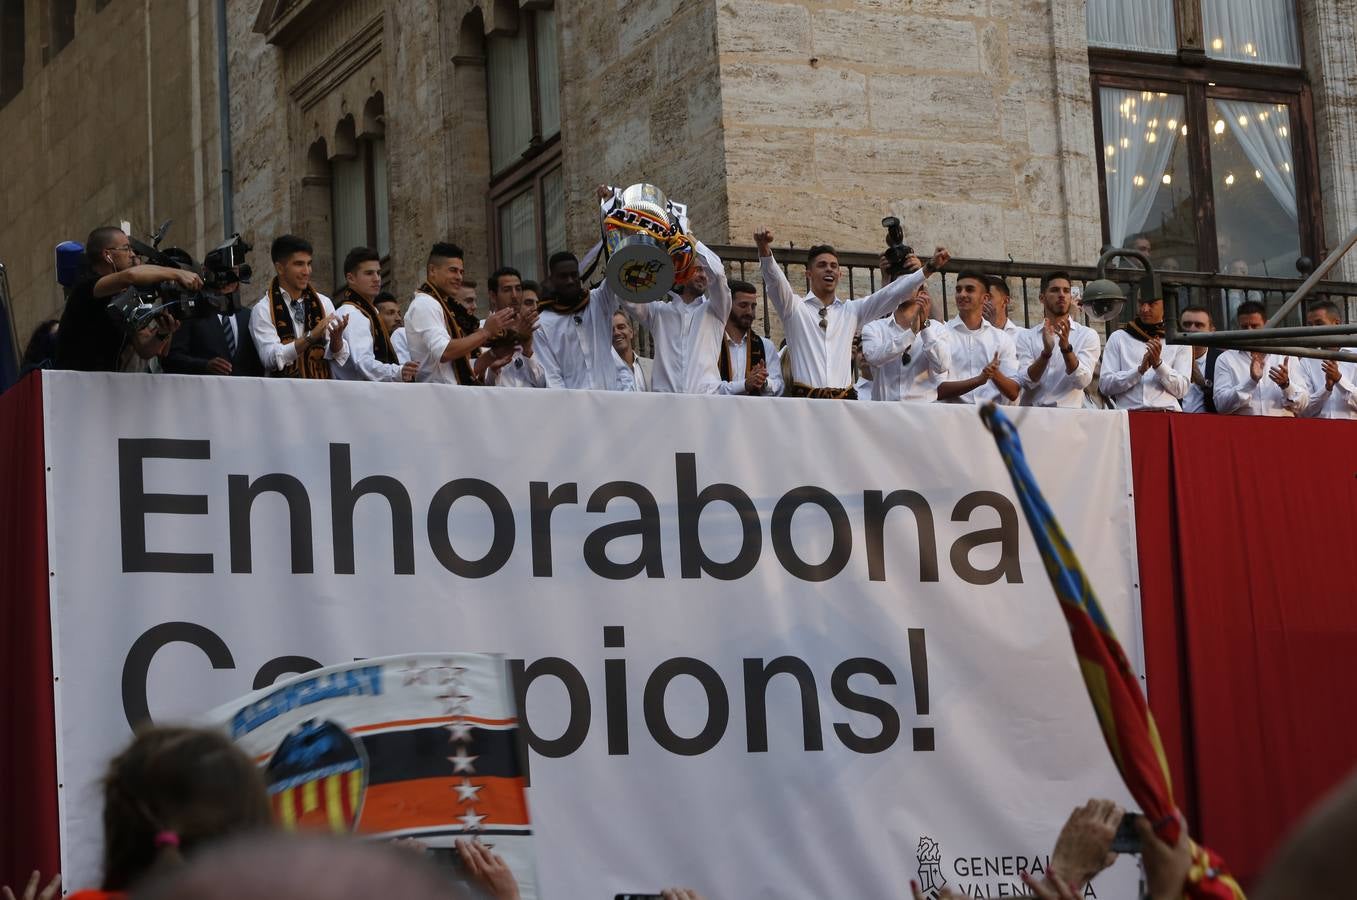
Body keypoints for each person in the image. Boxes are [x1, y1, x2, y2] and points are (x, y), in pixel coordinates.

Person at [755, 228, 948, 398]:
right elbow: (775, 283)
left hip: (843, 406)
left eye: (833, 266)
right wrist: (764, 249)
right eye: (822, 265)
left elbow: (892, 293)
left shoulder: (851, 311)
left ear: (840, 274)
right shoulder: (794, 308)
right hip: (806, 404)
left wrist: (928, 268)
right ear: (809, 274)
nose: (829, 269)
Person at [55, 226, 200, 372]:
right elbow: (130, 276)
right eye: (126, 249)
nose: (132, 255)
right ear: (107, 255)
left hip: (102, 384)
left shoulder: (124, 295)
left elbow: (144, 349)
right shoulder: (87, 287)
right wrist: (177, 273)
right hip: (73, 382)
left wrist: (162, 333)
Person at [404, 243, 512, 385]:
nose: (459, 277)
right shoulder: (425, 304)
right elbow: (444, 353)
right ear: (432, 271)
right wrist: (485, 332)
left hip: (451, 395)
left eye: (461, 272)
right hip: (436, 397)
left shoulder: (444, 305)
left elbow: (457, 371)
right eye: (453, 270)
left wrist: (494, 354)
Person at [249, 235, 349, 379]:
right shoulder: (262, 309)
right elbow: (271, 358)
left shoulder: (324, 302)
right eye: (299, 264)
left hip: (319, 394)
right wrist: (311, 336)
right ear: (280, 268)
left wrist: (337, 340)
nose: (307, 271)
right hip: (283, 396)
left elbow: (339, 356)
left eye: (309, 264)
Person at [535, 250, 622, 390]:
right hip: (574, 406)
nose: (570, 281)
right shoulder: (541, 324)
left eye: (574, 275)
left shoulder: (598, 301)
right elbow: (552, 376)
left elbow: (618, 274)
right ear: (551, 280)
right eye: (563, 276)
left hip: (611, 400)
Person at [1014, 271, 1100, 408]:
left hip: (1068, 417)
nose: (1061, 295)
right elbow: (1025, 381)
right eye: (1055, 290)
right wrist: (1046, 353)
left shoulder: (1087, 335)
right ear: (1042, 298)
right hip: (1033, 416)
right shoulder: (1026, 337)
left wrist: (1066, 349)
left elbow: (1082, 381)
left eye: (1066, 291)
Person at [331, 247, 417, 383]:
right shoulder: (351, 314)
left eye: (378, 273)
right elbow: (363, 363)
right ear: (351, 278)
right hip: (359, 397)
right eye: (369, 273)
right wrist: (398, 371)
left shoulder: (370, 312)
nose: (377, 279)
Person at [1098, 290, 1191, 410]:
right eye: (1141, 303)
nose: (1144, 309)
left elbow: (1182, 390)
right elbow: (1105, 386)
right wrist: (1138, 371)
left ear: (1166, 305)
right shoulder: (1119, 337)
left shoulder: (1179, 341)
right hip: (1129, 417)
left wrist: (1159, 365)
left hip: (1167, 415)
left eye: (1151, 304)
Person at [1211, 300, 1307, 416]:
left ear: (1267, 325)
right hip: (1242, 431)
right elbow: (1221, 406)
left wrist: (1286, 385)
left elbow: (1303, 404)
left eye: (1255, 326)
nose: (1249, 331)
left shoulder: (1286, 356)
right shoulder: (1225, 359)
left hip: (1281, 430)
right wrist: (1251, 382)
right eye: (1244, 327)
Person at [937, 272, 1019, 405]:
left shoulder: (1001, 338)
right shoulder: (941, 333)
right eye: (958, 290)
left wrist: (994, 374)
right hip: (951, 418)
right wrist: (978, 380)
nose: (962, 294)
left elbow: (1013, 392)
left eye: (969, 289)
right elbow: (935, 390)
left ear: (985, 298)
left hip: (991, 420)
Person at [859, 283, 948, 402]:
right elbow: (873, 358)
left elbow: (942, 366)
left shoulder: (937, 328)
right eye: (900, 285)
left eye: (910, 283)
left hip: (924, 413)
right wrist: (911, 334)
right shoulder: (874, 328)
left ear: (921, 294)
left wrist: (925, 328)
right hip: (884, 412)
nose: (903, 288)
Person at [164, 280, 263, 377]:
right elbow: (172, 358)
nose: (226, 279)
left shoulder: (248, 316)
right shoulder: (192, 315)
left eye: (232, 273)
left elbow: (258, 364)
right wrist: (204, 365)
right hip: (203, 389)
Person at [482, 266, 545, 388]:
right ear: (493, 296)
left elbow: (544, 384)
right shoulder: (481, 331)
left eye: (518, 289)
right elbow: (476, 385)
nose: (515, 296)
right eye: (507, 290)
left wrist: (527, 351)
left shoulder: (536, 330)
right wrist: (493, 370)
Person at [716, 280, 782, 396]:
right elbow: (708, 388)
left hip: (753, 413)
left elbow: (779, 386)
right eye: (743, 305)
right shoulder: (713, 343)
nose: (750, 312)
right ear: (727, 305)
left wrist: (763, 382)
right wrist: (745, 384)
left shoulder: (765, 345)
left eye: (753, 306)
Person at [1299, 300, 1357, 419]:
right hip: (1319, 433)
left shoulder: (1355, 354)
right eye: (1310, 325)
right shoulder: (1306, 360)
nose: (1313, 330)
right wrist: (1326, 389)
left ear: (1336, 323)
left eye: (1319, 323)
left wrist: (1339, 380)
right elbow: (1304, 412)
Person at [1177, 305, 1216, 413]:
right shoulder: (1168, 357)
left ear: (1211, 331)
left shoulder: (1220, 360)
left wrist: (1203, 383)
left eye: (1199, 325)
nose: (1192, 329)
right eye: (1187, 324)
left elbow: (1224, 403)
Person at [612, 311, 651, 391]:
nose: (616, 333)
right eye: (611, 330)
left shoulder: (651, 366)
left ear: (631, 332)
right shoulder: (605, 372)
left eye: (621, 327)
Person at [983, 275, 1022, 340]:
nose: (984, 302)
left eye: (989, 298)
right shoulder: (971, 334)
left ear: (1005, 301)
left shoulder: (1021, 335)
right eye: (982, 298)